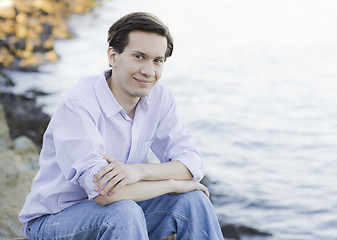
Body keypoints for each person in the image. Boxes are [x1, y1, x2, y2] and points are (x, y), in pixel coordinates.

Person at [18, 12, 224, 240]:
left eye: (157, 60)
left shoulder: (159, 97)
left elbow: (192, 162)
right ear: (113, 56)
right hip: (53, 222)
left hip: (119, 212)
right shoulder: (79, 104)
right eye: (139, 56)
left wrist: (139, 171)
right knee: (123, 211)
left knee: (193, 201)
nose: (149, 71)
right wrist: (173, 183)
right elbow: (105, 194)